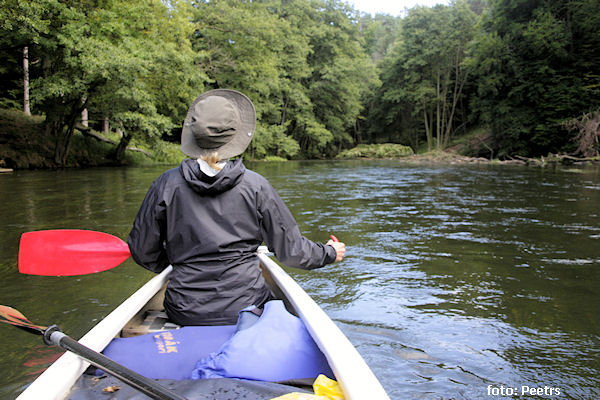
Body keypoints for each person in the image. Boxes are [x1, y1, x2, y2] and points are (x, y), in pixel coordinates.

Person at [127, 89, 345, 326]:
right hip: (245, 305)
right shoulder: (256, 186)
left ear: (194, 135)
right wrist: (330, 252)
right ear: (235, 137)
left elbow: (142, 250)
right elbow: (291, 251)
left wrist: (179, 262)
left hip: (184, 309)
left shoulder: (165, 185)